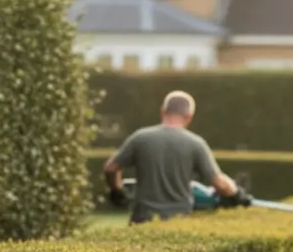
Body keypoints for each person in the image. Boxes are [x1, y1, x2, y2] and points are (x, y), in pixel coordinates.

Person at [102, 91, 251, 224]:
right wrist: (237, 193)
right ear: (189, 117)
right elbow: (219, 182)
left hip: (142, 220)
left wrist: (117, 191)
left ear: (162, 111)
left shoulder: (140, 138)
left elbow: (110, 168)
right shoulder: (195, 144)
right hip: (177, 221)